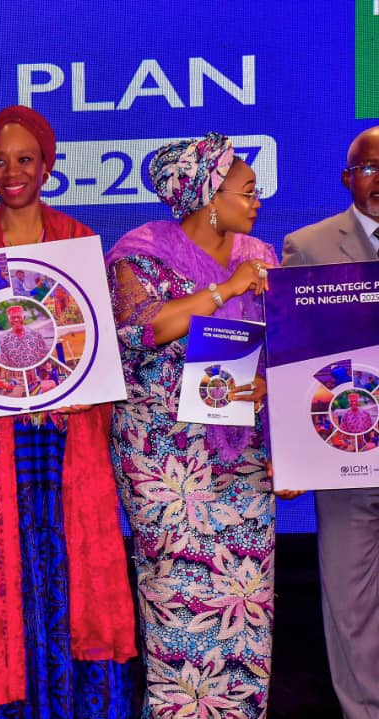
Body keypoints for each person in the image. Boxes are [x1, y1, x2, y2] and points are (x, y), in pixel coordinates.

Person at [0, 106, 136, 717]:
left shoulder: (77, 242)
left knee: (75, 575)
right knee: (2, 577)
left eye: (25, 159)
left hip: (68, 441)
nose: (12, 172)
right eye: (0, 162)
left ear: (47, 165)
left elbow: (93, 342)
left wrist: (89, 383)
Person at [106, 132, 296, 719]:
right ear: (210, 196)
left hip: (241, 459)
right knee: (178, 606)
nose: (256, 201)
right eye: (246, 190)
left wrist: (273, 397)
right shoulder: (140, 255)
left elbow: (286, 346)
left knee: (245, 606)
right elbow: (142, 329)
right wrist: (223, 290)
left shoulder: (261, 255)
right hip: (166, 464)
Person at [282, 125, 379, 719]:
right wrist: (294, 450)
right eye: (369, 168)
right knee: (350, 604)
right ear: (348, 179)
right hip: (345, 455)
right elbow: (294, 354)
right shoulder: (309, 246)